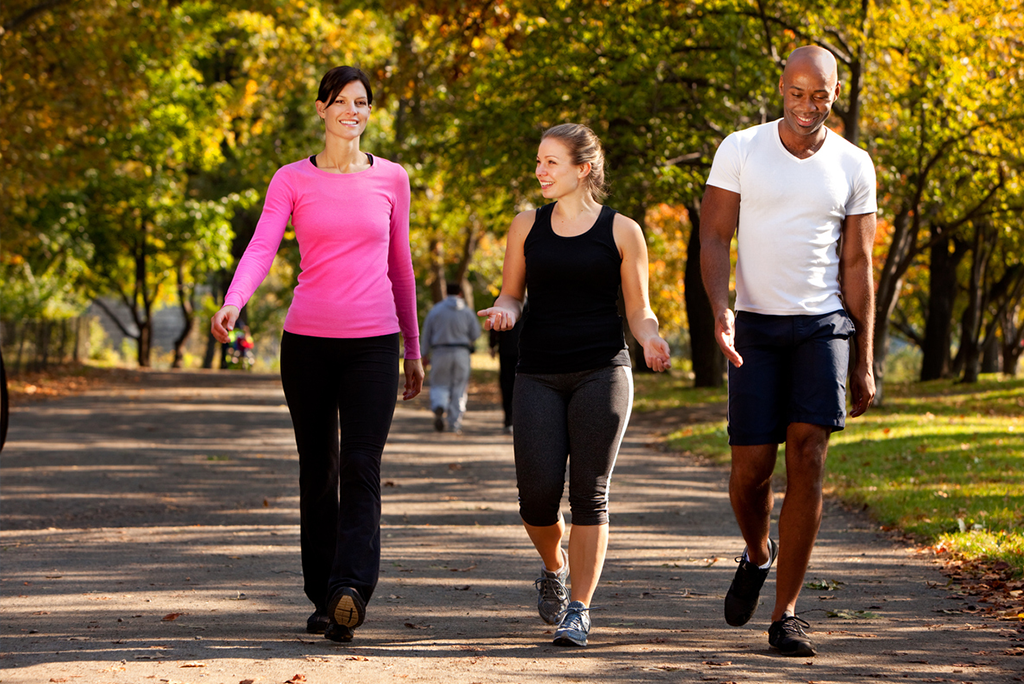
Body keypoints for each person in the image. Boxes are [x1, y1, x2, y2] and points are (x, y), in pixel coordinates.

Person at [210, 66, 424, 644]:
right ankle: (323, 594)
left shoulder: (393, 179)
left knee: (361, 464)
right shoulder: (290, 180)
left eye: (363, 102)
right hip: (306, 344)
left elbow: (399, 267)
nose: (354, 110)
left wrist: (412, 346)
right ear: (321, 108)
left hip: (374, 344)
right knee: (319, 468)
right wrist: (235, 303)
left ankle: (350, 588)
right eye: (343, 101)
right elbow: (261, 247)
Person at [700, 46, 877, 657]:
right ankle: (757, 552)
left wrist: (864, 357)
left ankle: (787, 614)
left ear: (833, 94)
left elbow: (858, 264)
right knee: (749, 473)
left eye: (819, 95)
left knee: (809, 457)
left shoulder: (855, 165)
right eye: (797, 93)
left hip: (823, 326)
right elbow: (715, 236)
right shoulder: (741, 148)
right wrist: (722, 309)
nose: (807, 106)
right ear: (782, 87)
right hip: (755, 327)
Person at [479, 123, 671, 647]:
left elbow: (639, 308)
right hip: (537, 371)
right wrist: (503, 311)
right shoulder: (525, 226)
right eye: (539, 161)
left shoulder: (623, 231)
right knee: (536, 499)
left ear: (582, 169)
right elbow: (513, 294)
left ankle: (580, 609)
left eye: (551, 162)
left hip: (602, 370)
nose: (540, 171)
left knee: (589, 494)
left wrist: (650, 339)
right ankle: (554, 563)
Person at [420, 282, 482, 434]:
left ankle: (439, 405)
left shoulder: (436, 310)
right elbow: (476, 334)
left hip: (440, 352)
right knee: (459, 388)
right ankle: (454, 423)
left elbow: (426, 333)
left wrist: (423, 354)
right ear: (460, 293)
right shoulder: (467, 312)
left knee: (440, 383)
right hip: (461, 352)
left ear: (446, 292)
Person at [488, 316, 522, 434]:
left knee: (509, 384)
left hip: (509, 349)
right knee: (513, 384)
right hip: (518, 350)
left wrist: (492, 344)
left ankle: (511, 419)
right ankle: (512, 419)